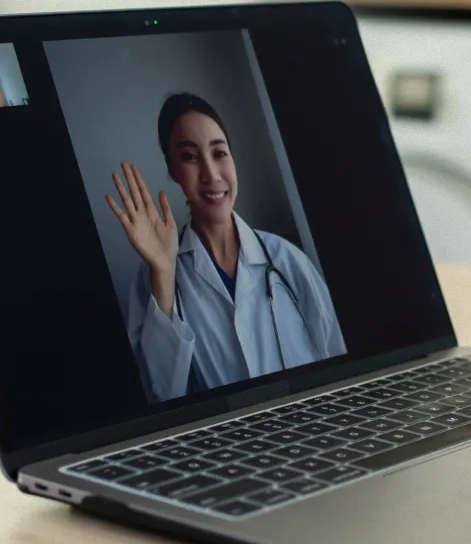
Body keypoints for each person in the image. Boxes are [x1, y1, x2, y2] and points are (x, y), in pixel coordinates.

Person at [107, 92, 346, 403]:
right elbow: (161, 396)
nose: (211, 175)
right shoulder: (152, 280)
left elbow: (340, 365)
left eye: (219, 153)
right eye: (190, 157)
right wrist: (164, 275)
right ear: (172, 170)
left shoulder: (287, 260)